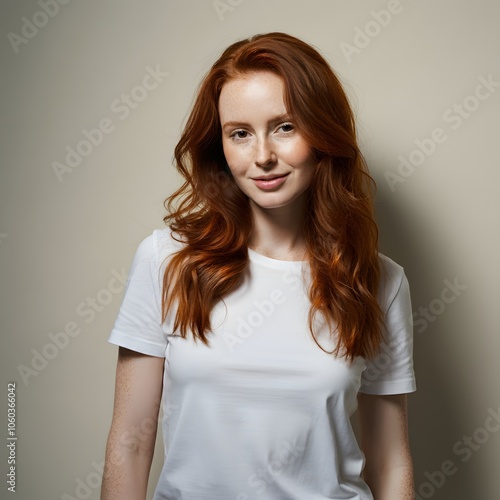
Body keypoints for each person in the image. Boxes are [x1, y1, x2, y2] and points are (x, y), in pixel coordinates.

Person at [101, 32, 416, 500]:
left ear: (322, 133)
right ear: (221, 147)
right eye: (240, 134)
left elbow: (390, 462)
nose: (263, 155)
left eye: (285, 126)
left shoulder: (378, 281)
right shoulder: (165, 261)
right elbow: (130, 443)